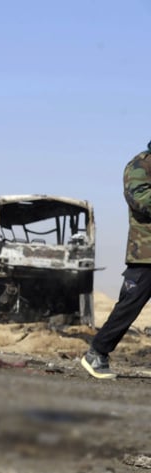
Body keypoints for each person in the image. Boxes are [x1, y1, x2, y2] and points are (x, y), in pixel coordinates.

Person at [81, 141, 151, 379]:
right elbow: (141, 200)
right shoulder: (140, 164)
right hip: (146, 254)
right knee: (129, 307)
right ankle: (97, 353)